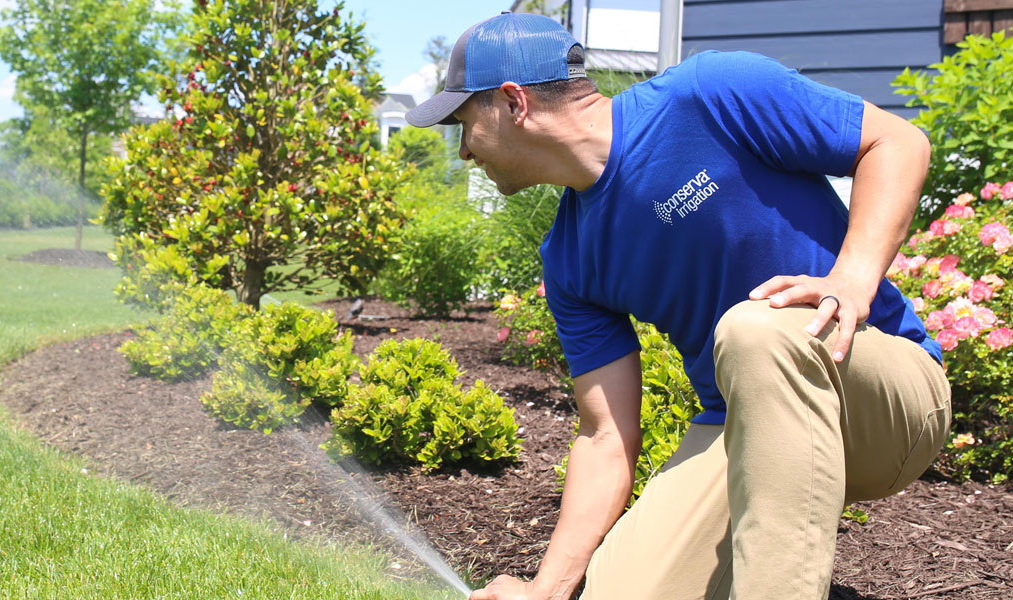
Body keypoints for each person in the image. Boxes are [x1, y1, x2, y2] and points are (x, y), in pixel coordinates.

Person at [404, 12, 949, 600]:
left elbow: (896, 141)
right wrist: (546, 587)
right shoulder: (568, 258)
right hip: (745, 428)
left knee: (753, 331)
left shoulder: (710, 93)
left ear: (514, 103)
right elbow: (605, 436)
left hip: (884, 396)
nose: (462, 151)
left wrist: (852, 277)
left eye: (464, 123)